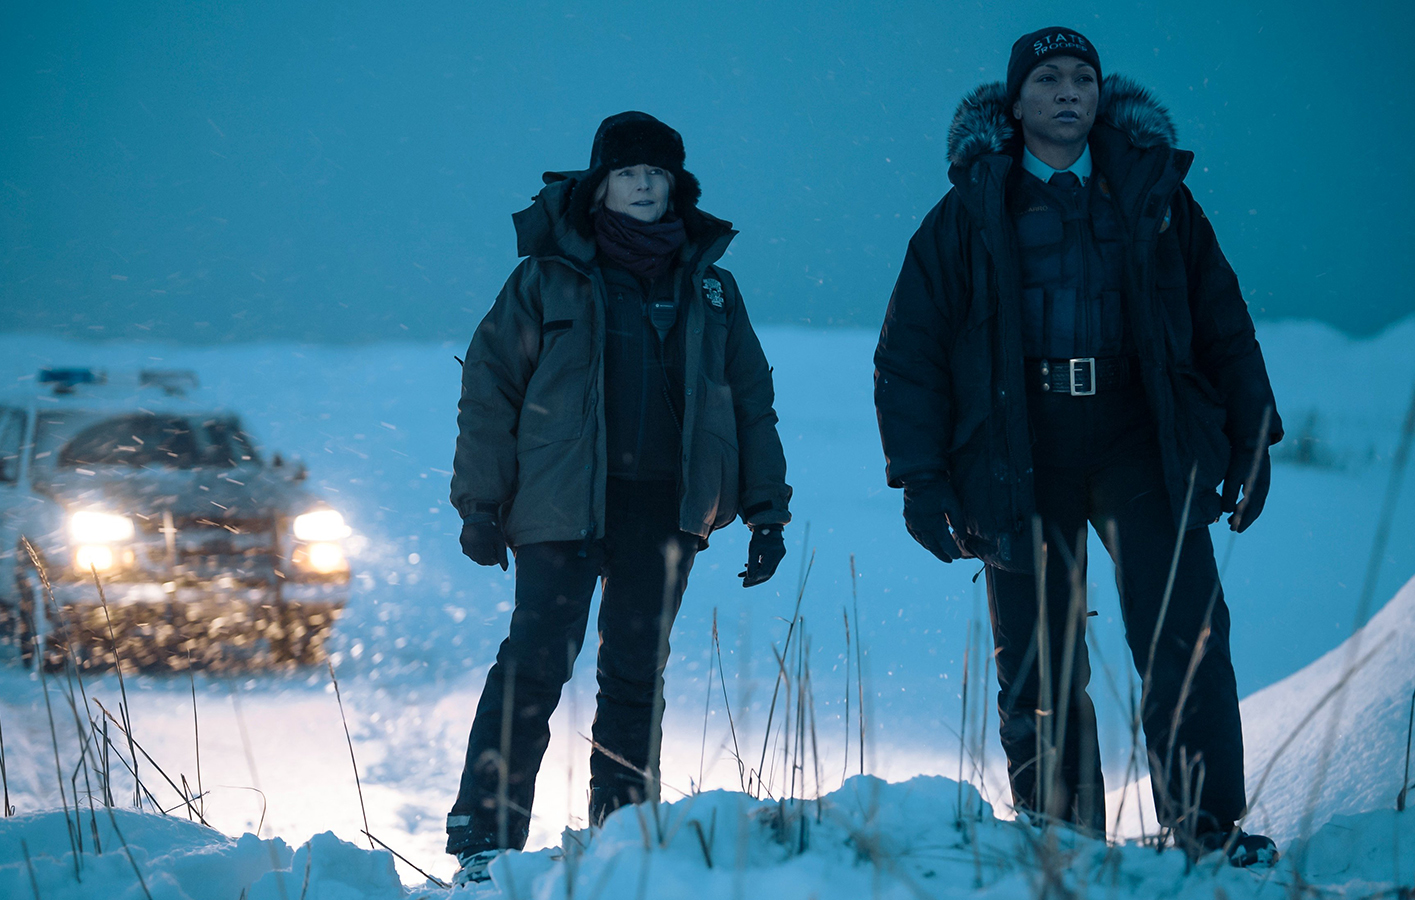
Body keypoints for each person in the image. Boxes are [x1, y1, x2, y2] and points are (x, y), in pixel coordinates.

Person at [873, 27, 1281, 867]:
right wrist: (921, 477)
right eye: (1049, 78)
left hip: (1141, 435)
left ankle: (1208, 831)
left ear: (1101, 95)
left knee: (1185, 631)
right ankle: (1068, 843)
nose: (1068, 92)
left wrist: (1252, 434)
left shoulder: (1155, 194)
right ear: (1015, 101)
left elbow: (1221, 318)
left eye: (1083, 78)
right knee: (1038, 653)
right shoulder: (969, 211)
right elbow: (910, 350)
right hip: (1024, 445)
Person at [446, 111, 792, 883]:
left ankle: (622, 844)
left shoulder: (710, 289)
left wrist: (766, 508)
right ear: (600, 184)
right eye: (628, 172)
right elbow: (489, 388)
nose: (643, 184)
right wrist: (479, 503)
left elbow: (749, 398)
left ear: (676, 185)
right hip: (559, 504)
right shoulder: (547, 277)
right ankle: (483, 843)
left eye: (657, 173)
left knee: (636, 673)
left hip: (665, 507)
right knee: (534, 664)